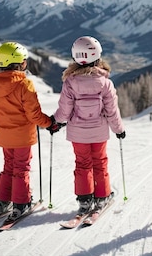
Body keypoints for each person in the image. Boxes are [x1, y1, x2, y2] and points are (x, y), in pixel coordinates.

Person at [0, 41, 61, 222]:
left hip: (4, 135)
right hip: (23, 136)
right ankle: (21, 203)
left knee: (8, 167)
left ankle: (2, 202)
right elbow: (33, 115)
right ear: (20, 62)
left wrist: (3, 124)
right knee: (21, 168)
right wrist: (49, 123)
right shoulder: (24, 84)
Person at [53, 36, 126, 215]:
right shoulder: (105, 83)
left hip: (77, 134)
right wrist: (119, 129)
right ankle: (102, 196)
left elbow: (64, 110)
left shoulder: (70, 82)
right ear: (98, 56)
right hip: (99, 133)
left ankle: (85, 200)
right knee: (100, 163)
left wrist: (56, 122)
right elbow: (112, 110)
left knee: (82, 164)